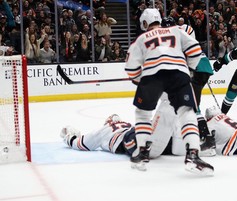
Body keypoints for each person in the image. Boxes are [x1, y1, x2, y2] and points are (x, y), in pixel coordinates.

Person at [124, 8, 214, 175]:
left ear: (145, 23)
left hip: (152, 75)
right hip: (178, 74)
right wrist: (189, 68)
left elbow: (130, 67)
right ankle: (193, 155)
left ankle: (142, 153)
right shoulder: (176, 31)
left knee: (143, 114)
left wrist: (138, 79)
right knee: (186, 112)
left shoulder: (141, 38)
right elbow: (195, 49)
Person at [60, 114, 216, 159]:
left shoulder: (104, 131)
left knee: (147, 145)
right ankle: (198, 145)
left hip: (128, 138)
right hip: (138, 131)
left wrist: (69, 136)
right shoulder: (124, 124)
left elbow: (81, 144)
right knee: (164, 144)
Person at [161, 17, 214, 140]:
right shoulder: (184, 29)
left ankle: (205, 136)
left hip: (196, 68)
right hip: (204, 67)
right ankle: (196, 130)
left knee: (190, 103)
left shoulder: (169, 38)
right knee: (191, 101)